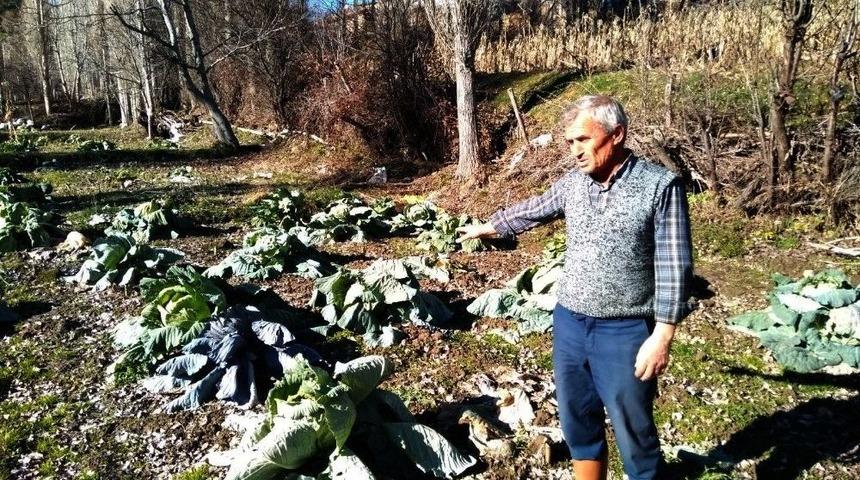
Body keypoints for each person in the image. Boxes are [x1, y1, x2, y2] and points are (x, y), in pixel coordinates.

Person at [457, 95, 693, 480]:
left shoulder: (659, 186)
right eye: (570, 143)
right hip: (570, 323)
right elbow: (537, 207)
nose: (575, 152)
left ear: (616, 134)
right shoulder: (574, 183)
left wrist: (663, 335)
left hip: (625, 329)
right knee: (578, 418)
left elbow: (674, 265)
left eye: (583, 140)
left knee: (633, 429)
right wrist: (491, 225)